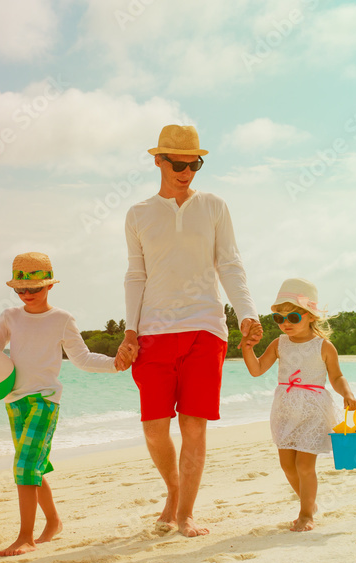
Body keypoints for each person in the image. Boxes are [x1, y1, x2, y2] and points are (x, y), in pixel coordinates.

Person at [115, 125, 263, 538]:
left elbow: (230, 264)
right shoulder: (139, 214)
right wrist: (130, 331)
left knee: (194, 425)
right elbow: (135, 274)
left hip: (205, 327)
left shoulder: (214, 206)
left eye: (194, 164)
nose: (186, 172)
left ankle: (185, 514)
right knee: (154, 427)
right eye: (178, 164)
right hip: (153, 331)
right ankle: (175, 489)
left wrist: (246, 313)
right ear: (158, 161)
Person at [0, 252, 120, 556]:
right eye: (21, 290)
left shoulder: (62, 320)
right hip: (15, 401)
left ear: (49, 286)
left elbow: (81, 359)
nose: (27, 295)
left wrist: (115, 364)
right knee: (36, 467)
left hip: (45, 399)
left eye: (34, 288)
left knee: (24, 466)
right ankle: (54, 522)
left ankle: (25, 537)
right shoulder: (9, 317)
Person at [240, 278, 356, 532]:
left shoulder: (324, 346)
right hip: (285, 409)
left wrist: (346, 392)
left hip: (313, 410)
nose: (285, 324)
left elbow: (336, 377)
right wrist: (247, 348)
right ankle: (310, 502)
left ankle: (306, 514)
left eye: (292, 317)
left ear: (310, 315)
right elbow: (257, 369)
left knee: (305, 465)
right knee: (287, 465)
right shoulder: (279, 344)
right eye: (279, 319)